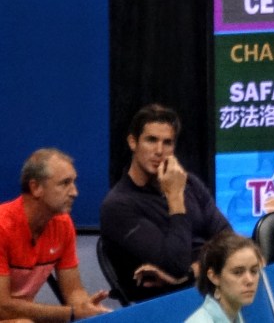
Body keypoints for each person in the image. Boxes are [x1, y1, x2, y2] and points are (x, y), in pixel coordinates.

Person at [99, 105, 231, 303]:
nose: (159, 151)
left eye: (167, 143)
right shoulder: (117, 206)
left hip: (208, 286)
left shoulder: (190, 183)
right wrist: (175, 198)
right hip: (166, 303)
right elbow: (175, 266)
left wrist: (194, 271)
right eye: (151, 140)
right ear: (133, 142)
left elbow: (229, 240)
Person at [0, 149, 111, 320]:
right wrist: (72, 313)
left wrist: (85, 308)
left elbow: (73, 290)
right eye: (65, 183)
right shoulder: (2, 226)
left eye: (73, 182)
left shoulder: (63, 224)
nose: (74, 192)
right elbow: (2, 306)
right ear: (36, 187)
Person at [183, 232, 263, 323]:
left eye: (254, 271)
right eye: (237, 272)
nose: (250, 280)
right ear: (214, 277)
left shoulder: (235, 318)